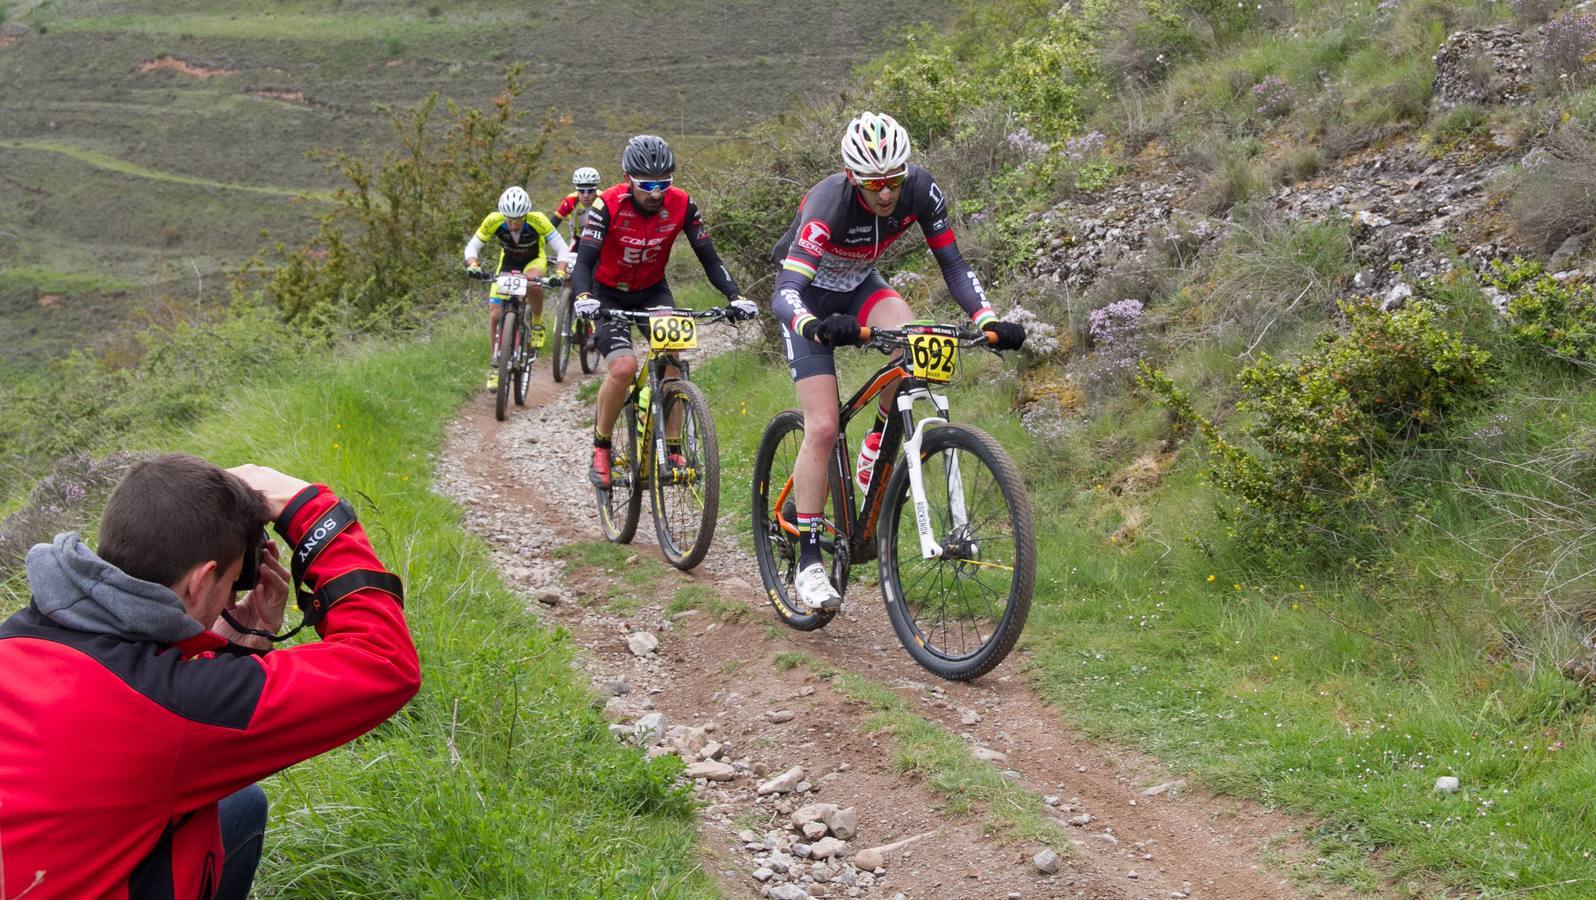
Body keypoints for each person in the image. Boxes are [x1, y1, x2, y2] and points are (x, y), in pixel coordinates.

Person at [0, 454, 420, 900]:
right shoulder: (171, 708)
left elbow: (123, 695)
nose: (232, 593)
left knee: (240, 805)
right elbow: (384, 661)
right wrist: (310, 510)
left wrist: (234, 646)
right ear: (201, 582)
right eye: (235, 579)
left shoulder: (21, 635)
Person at [769, 111, 1028, 611]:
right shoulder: (828, 205)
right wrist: (814, 326)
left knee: (912, 345)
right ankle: (807, 561)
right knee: (822, 427)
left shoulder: (920, 190)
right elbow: (786, 292)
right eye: (873, 184)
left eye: (893, 180)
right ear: (852, 177)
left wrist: (988, 319)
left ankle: (874, 447)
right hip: (806, 297)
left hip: (860, 284)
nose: (886, 193)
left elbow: (952, 263)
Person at [570, 134, 757, 488]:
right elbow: (585, 262)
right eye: (647, 185)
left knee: (672, 357)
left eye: (664, 183)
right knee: (624, 368)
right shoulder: (606, 205)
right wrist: (582, 297)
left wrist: (735, 296)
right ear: (629, 178)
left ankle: (671, 447)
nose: (656, 193)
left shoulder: (682, 204)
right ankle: (601, 447)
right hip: (605, 294)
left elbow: (710, 258)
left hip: (652, 291)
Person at [465, 185, 570, 390]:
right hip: (508, 262)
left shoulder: (538, 220)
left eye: (518, 220)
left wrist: (559, 272)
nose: (513, 224)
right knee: (495, 315)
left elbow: (562, 248)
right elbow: (473, 246)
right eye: (509, 220)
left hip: (533, 261)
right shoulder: (494, 220)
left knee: (532, 282)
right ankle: (496, 366)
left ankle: (538, 323)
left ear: (526, 214)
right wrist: (473, 264)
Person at [549, 166, 603, 252]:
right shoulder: (571, 200)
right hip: (578, 240)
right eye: (581, 191)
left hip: (601, 240)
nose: (586, 195)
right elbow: (552, 225)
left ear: (596, 189)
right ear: (576, 189)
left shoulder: (604, 199)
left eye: (590, 191)